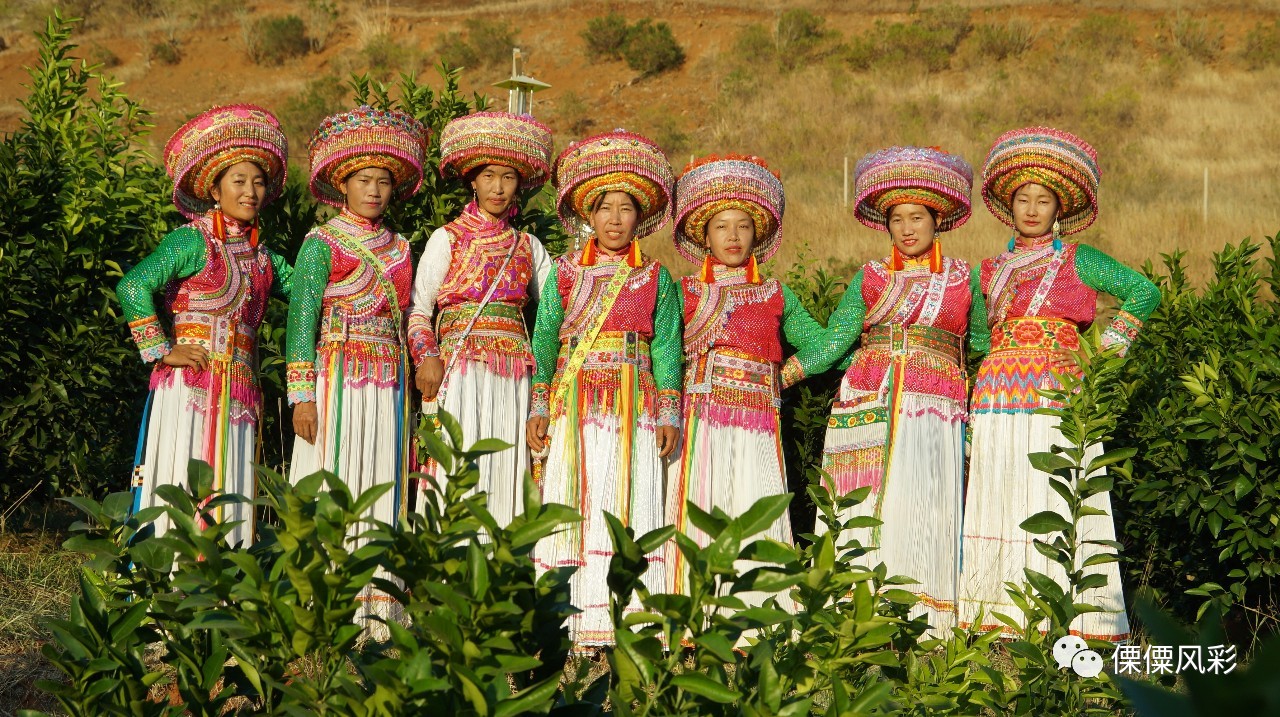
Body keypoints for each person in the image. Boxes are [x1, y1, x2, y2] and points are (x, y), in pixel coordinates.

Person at [958, 127, 1161, 643]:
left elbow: (1143, 293)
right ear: (1008, 205)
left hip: (1056, 388)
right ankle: (1001, 618)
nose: (1031, 208)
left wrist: (1101, 360)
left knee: (1054, 493)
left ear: (1058, 209)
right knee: (1000, 489)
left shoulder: (1079, 259)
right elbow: (981, 337)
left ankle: (1078, 619)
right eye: (1022, 198)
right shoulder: (989, 270)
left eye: (1042, 200)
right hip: (997, 392)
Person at [803, 146, 979, 637]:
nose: (907, 228)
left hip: (935, 404)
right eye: (897, 219)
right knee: (867, 500)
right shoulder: (872, 276)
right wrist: (784, 372)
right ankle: (853, 616)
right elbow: (837, 339)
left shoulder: (964, 279)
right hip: (870, 397)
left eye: (916, 217)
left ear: (937, 220)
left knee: (925, 500)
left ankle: (926, 620)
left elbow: (982, 340)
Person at [525, 130, 682, 648]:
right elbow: (546, 337)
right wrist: (539, 404)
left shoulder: (656, 278)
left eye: (626, 209)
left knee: (627, 496)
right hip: (578, 401)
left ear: (641, 218)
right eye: (605, 208)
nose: (615, 219)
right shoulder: (566, 272)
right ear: (588, 216)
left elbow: (664, 348)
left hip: (635, 404)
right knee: (579, 492)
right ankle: (570, 620)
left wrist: (669, 412)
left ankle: (629, 619)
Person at [118, 104, 291, 546]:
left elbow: (313, 288)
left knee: (230, 492)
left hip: (238, 391)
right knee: (183, 484)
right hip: (190, 387)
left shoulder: (262, 259)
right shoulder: (193, 240)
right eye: (238, 181)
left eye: (258, 182)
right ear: (214, 190)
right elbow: (134, 285)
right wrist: (160, 349)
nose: (250, 191)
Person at [286, 105, 428, 634]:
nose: (374, 190)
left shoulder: (401, 248)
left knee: (381, 477)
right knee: (333, 476)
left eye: (383, 182)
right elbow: (302, 319)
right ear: (342, 184)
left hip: (388, 381)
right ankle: (322, 604)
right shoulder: (321, 244)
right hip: (336, 375)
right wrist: (302, 394)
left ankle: (378, 607)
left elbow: (411, 311)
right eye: (364, 180)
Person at [665, 154, 826, 611]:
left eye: (743, 226)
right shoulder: (683, 291)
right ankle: (695, 613)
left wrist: (785, 374)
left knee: (754, 504)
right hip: (698, 420)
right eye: (721, 226)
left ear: (758, 233)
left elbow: (823, 342)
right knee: (701, 504)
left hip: (758, 418)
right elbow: (662, 352)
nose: (732, 237)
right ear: (703, 234)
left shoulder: (776, 293)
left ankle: (761, 615)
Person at [407, 111, 553, 525]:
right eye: (489, 176)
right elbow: (418, 310)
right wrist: (426, 357)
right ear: (473, 180)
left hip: (515, 378)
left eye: (508, 177)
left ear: (519, 184)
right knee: (460, 466)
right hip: (461, 372)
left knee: (507, 468)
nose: (498, 187)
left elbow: (553, 316)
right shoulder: (446, 238)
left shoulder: (529, 246)